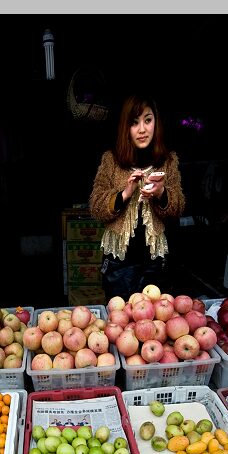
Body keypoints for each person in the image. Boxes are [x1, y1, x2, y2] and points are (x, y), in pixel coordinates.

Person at [89, 94, 186, 301]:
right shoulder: (111, 161)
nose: (142, 129)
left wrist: (161, 193)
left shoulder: (168, 161)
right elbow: (95, 206)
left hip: (155, 262)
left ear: (155, 123)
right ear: (126, 128)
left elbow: (179, 205)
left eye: (147, 120)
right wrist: (125, 193)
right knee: (120, 322)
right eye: (134, 123)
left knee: (155, 322)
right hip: (119, 264)